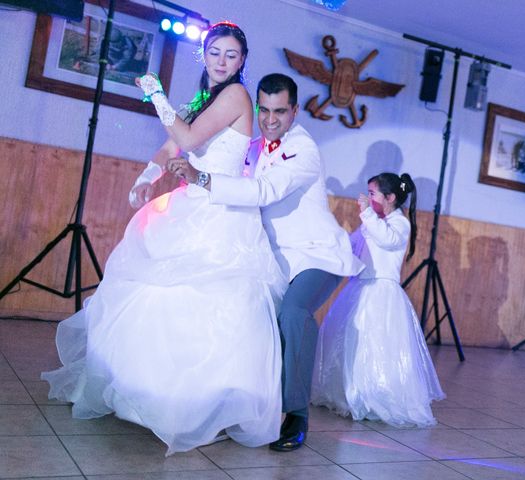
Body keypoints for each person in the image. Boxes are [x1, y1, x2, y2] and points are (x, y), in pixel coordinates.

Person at [42, 22, 286, 455]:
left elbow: (189, 136)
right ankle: (143, 394)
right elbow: (174, 144)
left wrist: (155, 93)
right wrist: (147, 176)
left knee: (205, 304)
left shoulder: (236, 96)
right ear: (204, 54)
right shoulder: (203, 96)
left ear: (242, 61)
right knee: (152, 293)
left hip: (220, 212)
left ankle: (195, 404)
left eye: (231, 55)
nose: (222, 61)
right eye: (215, 52)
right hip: (190, 201)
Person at [169, 73, 364, 451]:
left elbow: (263, 191)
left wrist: (202, 177)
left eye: (280, 112)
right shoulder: (256, 145)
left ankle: (297, 416)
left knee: (293, 313)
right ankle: (236, 405)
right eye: (264, 110)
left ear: (294, 111)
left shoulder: (303, 150)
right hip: (273, 258)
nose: (270, 119)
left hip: (317, 254)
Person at [311, 172, 445, 427]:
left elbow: (388, 239)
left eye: (372, 194)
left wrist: (367, 214)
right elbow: (353, 245)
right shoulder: (372, 222)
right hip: (359, 288)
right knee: (350, 342)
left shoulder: (398, 224)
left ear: (390, 198)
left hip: (381, 293)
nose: (367, 198)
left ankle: (373, 395)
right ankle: (346, 391)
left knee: (375, 344)